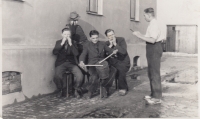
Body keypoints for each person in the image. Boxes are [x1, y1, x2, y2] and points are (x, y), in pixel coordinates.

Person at [132, 8, 163, 104]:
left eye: (144, 15)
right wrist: (140, 34)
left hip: (154, 48)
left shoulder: (154, 24)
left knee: (154, 73)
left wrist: (138, 36)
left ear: (149, 15)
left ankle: (157, 97)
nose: (144, 17)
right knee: (151, 72)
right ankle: (153, 94)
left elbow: (152, 40)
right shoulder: (152, 24)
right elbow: (148, 37)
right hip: (151, 48)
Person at [79, 30, 118, 99]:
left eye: (97, 38)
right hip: (92, 65)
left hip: (102, 63)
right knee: (94, 76)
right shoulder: (87, 45)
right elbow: (83, 54)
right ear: (90, 38)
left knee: (112, 71)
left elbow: (109, 50)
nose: (95, 39)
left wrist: (113, 51)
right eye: (93, 38)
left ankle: (104, 87)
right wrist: (81, 61)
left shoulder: (102, 44)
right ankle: (90, 92)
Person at [53, 28, 84, 99]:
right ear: (62, 35)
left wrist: (70, 44)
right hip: (61, 63)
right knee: (57, 76)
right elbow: (54, 52)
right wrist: (62, 44)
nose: (66, 36)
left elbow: (76, 54)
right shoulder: (58, 42)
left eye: (68, 34)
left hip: (71, 63)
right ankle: (60, 90)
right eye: (65, 34)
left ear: (70, 35)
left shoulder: (73, 42)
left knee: (80, 76)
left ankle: (76, 89)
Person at [105, 29, 131, 96]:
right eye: (109, 35)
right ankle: (106, 88)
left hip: (124, 62)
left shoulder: (121, 40)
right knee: (108, 69)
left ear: (114, 34)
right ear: (107, 37)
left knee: (121, 69)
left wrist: (115, 44)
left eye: (113, 34)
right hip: (114, 62)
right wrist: (110, 46)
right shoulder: (106, 43)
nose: (112, 36)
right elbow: (105, 54)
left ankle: (122, 88)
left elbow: (124, 51)